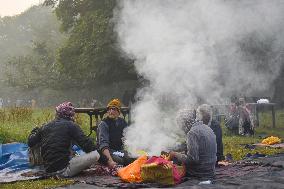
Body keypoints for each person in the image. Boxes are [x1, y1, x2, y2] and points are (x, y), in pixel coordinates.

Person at [27, 102, 106, 177]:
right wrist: (106, 160)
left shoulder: (45, 126)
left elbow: (30, 142)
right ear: (71, 115)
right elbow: (88, 146)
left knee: (39, 143)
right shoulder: (71, 125)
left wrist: (35, 130)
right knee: (96, 154)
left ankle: (42, 165)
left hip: (47, 169)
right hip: (63, 170)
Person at [169, 108, 217, 179]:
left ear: (185, 122)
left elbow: (192, 159)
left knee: (174, 162)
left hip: (199, 173)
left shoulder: (192, 133)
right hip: (210, 171)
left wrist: (175, 154)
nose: (181, 128)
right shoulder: (207, 128)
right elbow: (202, 152)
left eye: (180, 124)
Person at [97, 99, 130, 167]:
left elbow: (129, 138)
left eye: (114, 109)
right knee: (119, 160)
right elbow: (103, 145)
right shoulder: (104, 124)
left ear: (119, 112)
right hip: (106, 152)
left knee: (131, 158)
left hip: (118, 151)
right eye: (109, 109)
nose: (111, 111)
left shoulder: (122, 122)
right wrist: (110, 161)